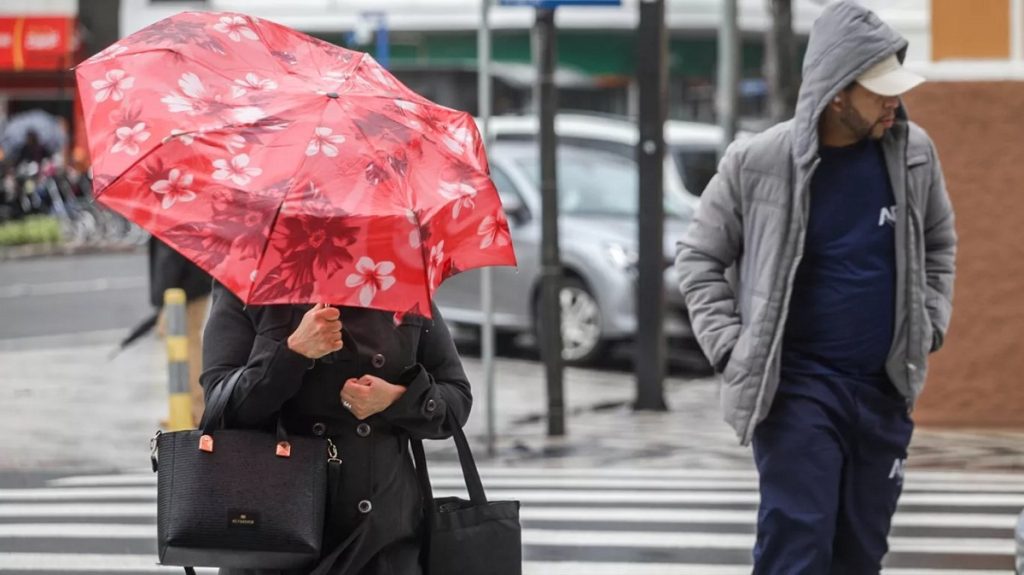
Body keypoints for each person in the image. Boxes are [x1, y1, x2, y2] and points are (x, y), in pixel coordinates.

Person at [676, 2, 956, 573]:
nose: (893, 102)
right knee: (797, 549)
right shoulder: (757, 162)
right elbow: (698, 257)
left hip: (882, 393)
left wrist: (929, 319)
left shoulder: (915, 155)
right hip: (797, 392)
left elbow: (938, 244)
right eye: (878, 91)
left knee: (861, 555)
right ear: (836, 91)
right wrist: (731, 347)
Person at [200, 280, 472, 574]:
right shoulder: (247, 284)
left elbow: (456, 401)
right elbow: (222, 408)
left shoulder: (398, 282)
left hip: (384, 539)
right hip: (275, 535)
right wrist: (292, 353)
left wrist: (396, 399)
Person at [150, 237, 213, 426]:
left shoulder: (172, 210)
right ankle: (190, 408)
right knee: (189, 341)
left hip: (183, 287)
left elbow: (170, 256)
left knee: (187, 342)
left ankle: (197, 408)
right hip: (194, 281)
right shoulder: (187, 209)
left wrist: (164, 301)